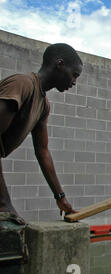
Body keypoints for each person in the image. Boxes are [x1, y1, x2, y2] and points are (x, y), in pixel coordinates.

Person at [0, 43, 83, 225]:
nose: (74, 82)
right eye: (74, 75)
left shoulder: (43, 105)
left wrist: (60, 197)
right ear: (59, 64)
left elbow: (42, 151)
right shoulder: (22, 84)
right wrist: (5, 205)